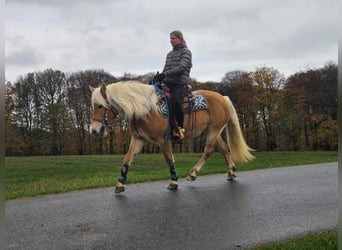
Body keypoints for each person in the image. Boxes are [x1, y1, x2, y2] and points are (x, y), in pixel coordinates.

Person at [153, 30, 192, 142]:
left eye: (173, 38)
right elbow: (165, 69)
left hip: (179, 83)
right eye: (170, 39)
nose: (171, 41)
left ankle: (179, 127)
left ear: (180, 38)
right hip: (168, 83)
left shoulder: (186, 52)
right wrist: (159, 78)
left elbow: (182, 68)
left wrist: (165, 74)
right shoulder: (169, 54)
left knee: (175, 102)